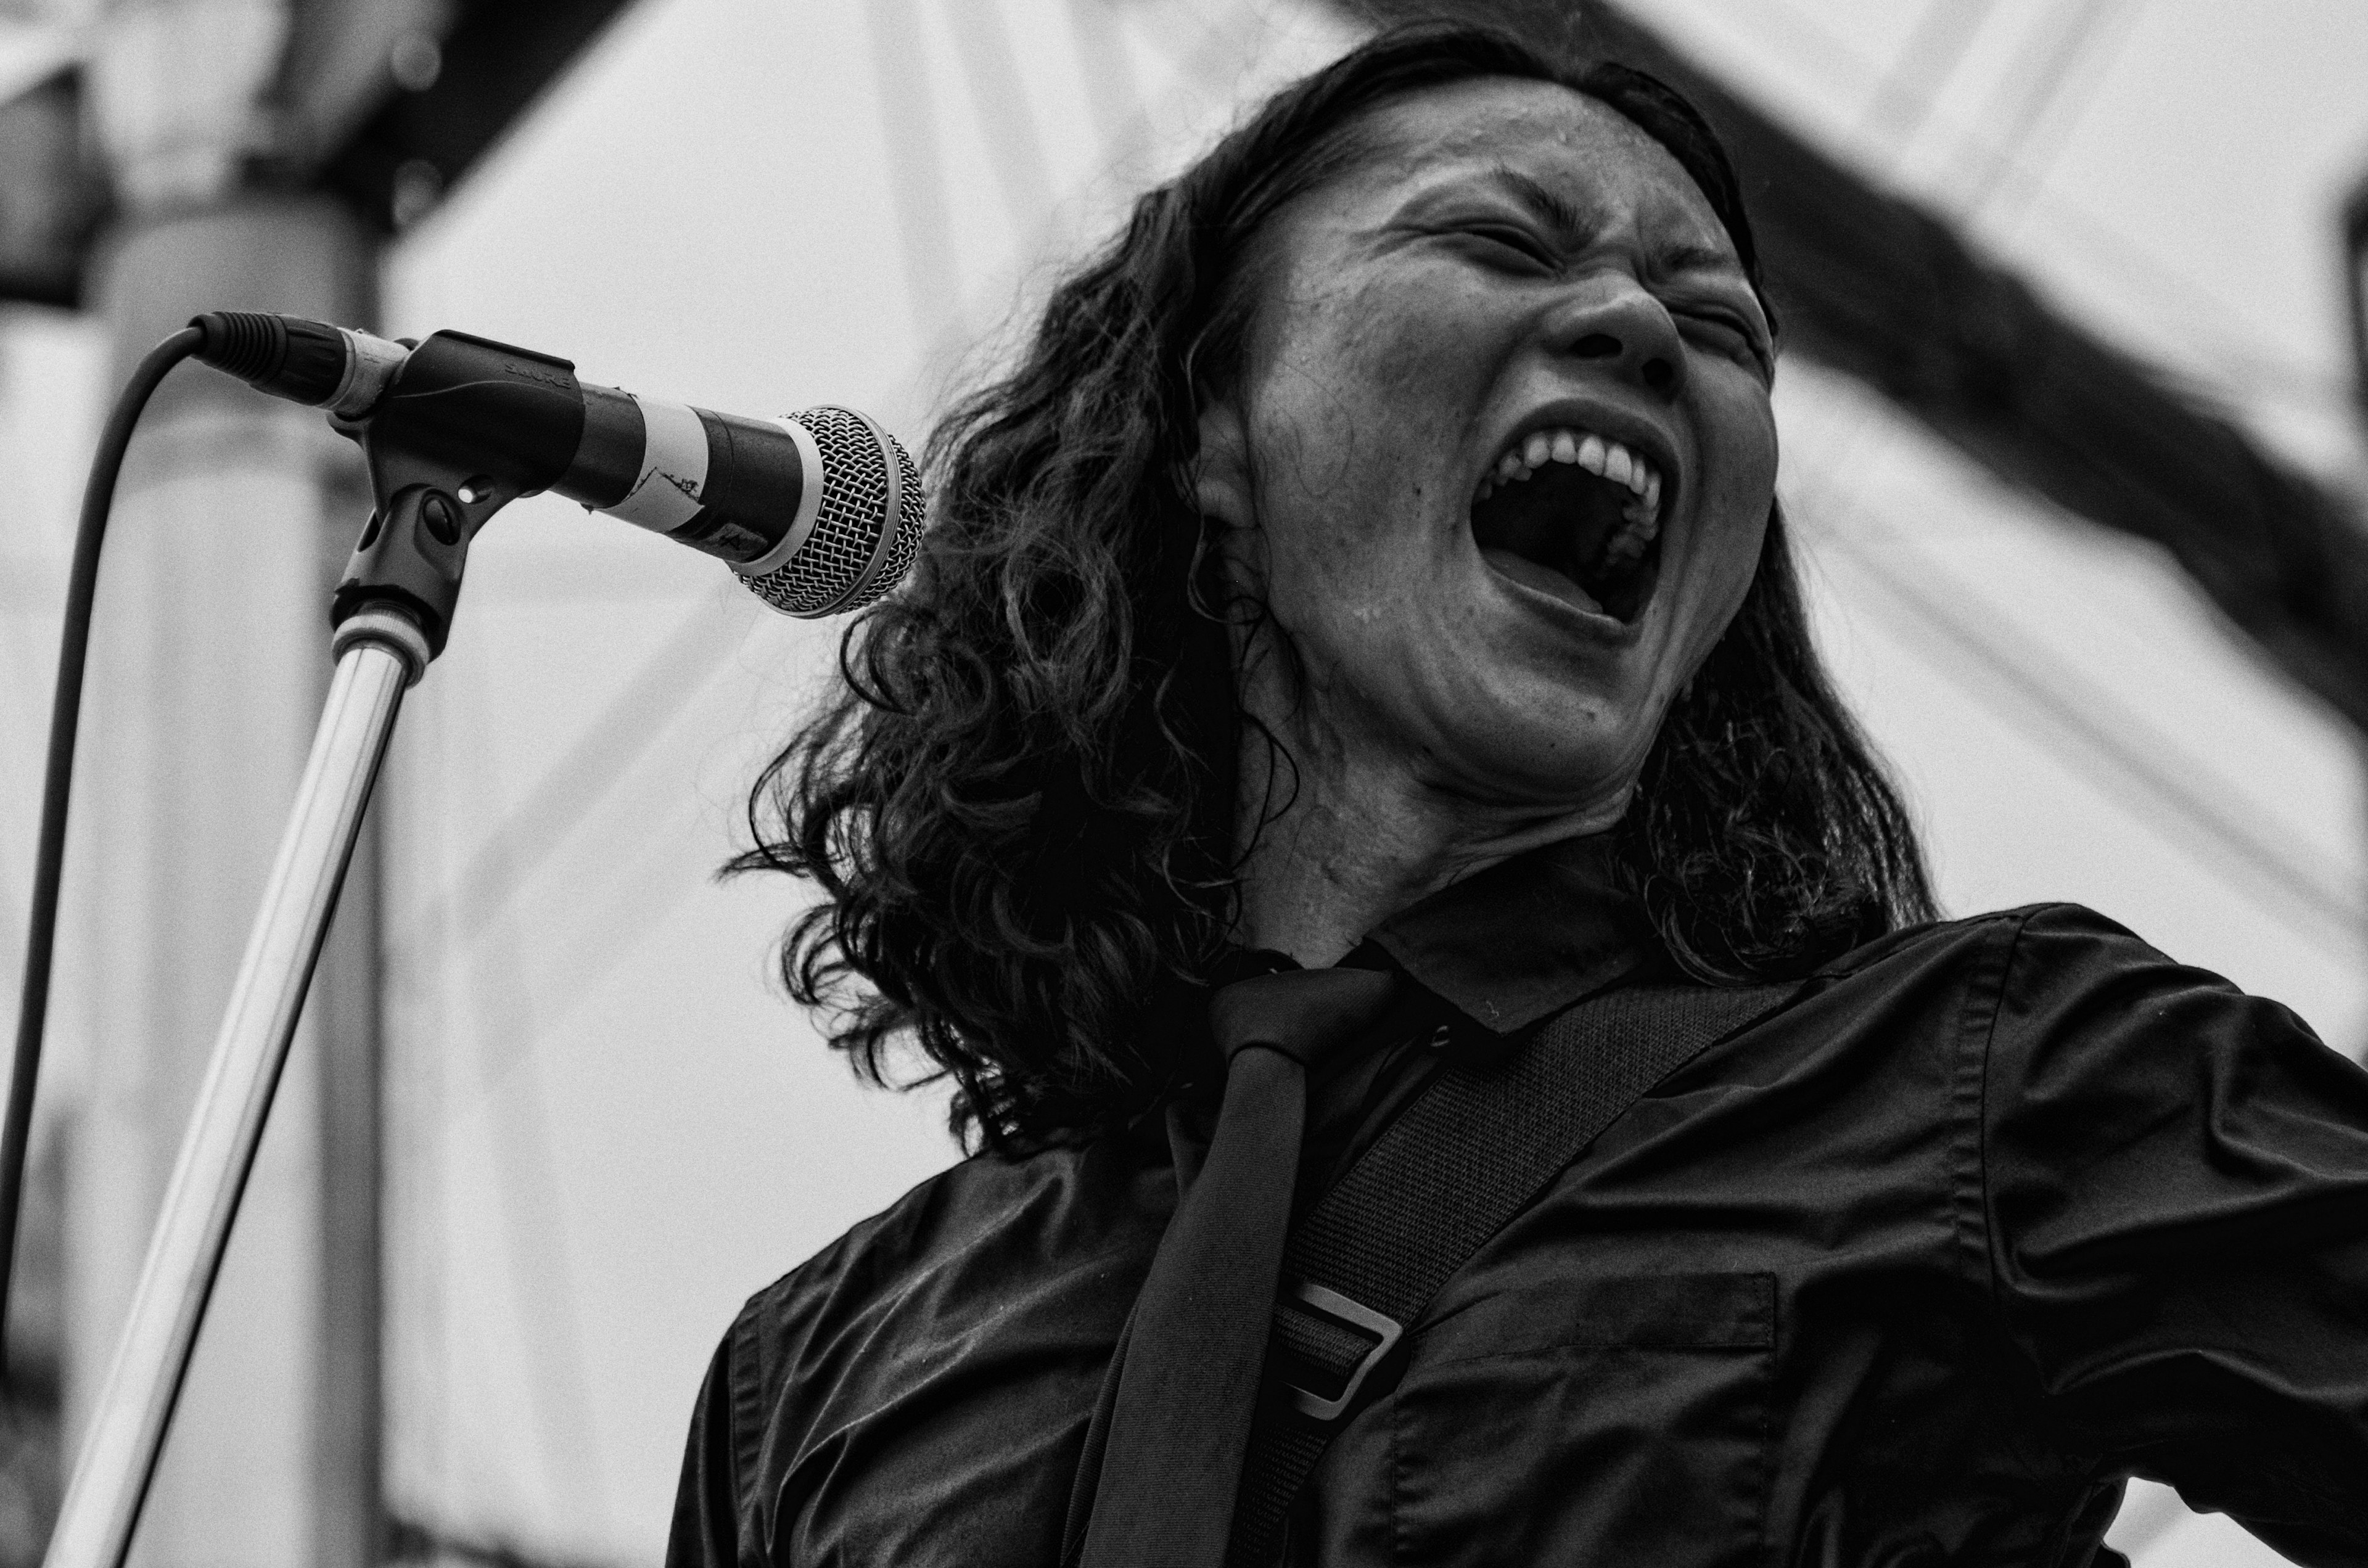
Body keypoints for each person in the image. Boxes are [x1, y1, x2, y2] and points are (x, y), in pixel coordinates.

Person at [667, 24, 2368, 1568]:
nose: (1640, 324)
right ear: (1212, 425)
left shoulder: (2003, 1087)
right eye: (1499, 238)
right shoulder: (818, 1376)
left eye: (1721, 329)